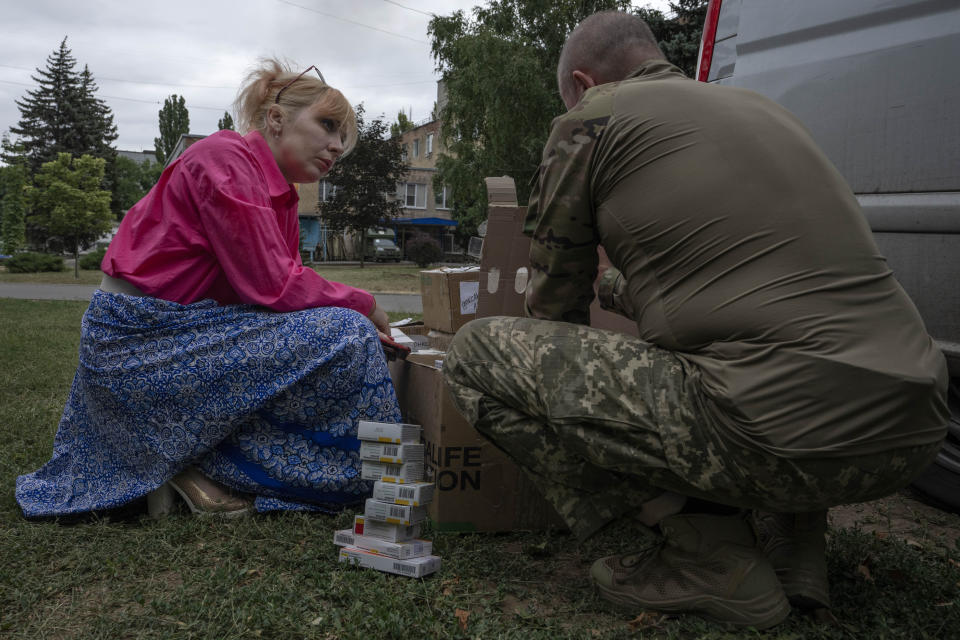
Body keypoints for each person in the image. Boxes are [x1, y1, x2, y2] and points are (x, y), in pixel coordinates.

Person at [442, 11, 949, 629]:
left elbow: (555, 314)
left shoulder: (590, 120)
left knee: (477, 355)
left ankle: (708, 553)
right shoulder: (763, 111)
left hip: (778, 435)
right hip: (912, 428)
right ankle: (795, 545)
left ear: (580, 83)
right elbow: (738, 281)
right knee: (772, 346)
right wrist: (616, 284)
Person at [16, 60, 400, 519]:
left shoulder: (281, 194)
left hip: (183, 335)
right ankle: (215, 468)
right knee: (346, 333)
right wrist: (365, 305)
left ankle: (194, 465)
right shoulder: (225, 158)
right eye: (327, 125)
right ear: (276, 119)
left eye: (343, 139)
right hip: (135, 344)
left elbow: (281, 300)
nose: (336, 146)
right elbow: (276, 286)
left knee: (343, 338)